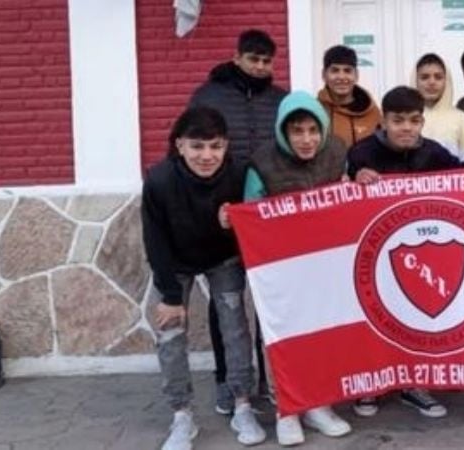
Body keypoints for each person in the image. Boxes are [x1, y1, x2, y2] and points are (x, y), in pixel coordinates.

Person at [347, 86, 464, 418]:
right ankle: (372, 382)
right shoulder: (362, 152)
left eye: (414, 120)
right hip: (374, 255)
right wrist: (356, 176)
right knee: (375, 317)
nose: (406, 128)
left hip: (419, 254)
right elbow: (342, 191)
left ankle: (413, 384)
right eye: (398, 121)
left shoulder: (434, 153)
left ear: (422, 122)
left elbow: (461, 178)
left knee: (413, 317)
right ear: (384, 121)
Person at [142, 107, 266, 448]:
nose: (207, 155)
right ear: (180, 145)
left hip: (223, 258)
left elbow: (257, 217)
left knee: (235, 327)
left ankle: (242, 404)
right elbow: (155, 240)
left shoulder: (239, 172)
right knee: (170, 332)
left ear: (226, 145)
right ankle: (181, 414)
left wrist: (235, 221)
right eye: (197, 146)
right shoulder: (159, 180)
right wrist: (169, 296)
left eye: (215, 146)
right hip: (176, 262)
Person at [241, 91, 353, 446]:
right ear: (283, 132)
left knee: (320, 332)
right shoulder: (262, 163)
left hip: (322, 265)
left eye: (312, 130)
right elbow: (251, 215)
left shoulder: (336, 153)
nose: (306, 139)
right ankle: (286, 409)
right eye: (297, 131)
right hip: (279, 269)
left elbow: (346, 200)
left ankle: (317, 404)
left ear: (322, 129)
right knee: (280, 337)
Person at [188, 28, 286, 412]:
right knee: (225, 304)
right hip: (223, 214)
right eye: (253, 59)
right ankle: (226, 382)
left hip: (268, 217)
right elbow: (189, 153)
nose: (260, 67)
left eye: (266, 61)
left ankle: (267, 381)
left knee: (269, 303)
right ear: (237, 57)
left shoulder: (280, 100)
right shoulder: (208, 96)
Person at [411, 53, 464, 162]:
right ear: (415, 81)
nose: (431, 82)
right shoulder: (404, 120)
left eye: (438, 77)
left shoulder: (462, 119)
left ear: (446, 81)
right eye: (424, 77)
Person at [316, 45, 381, 149]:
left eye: (347, 71)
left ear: (356, 75)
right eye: (335, 70)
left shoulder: (373, 113)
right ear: (324, 75)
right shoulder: (316, 111)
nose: (341, 77)